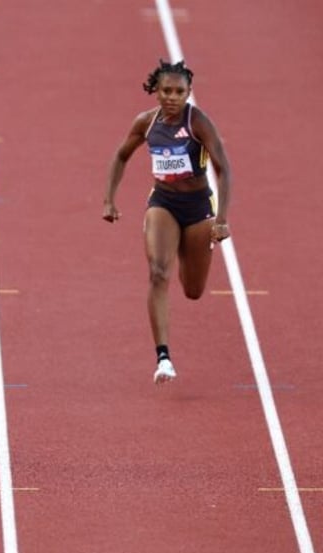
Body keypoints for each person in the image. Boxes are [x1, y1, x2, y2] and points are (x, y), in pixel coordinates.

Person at [103, 59, 231, 384]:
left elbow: (223, 169)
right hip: (163, 202)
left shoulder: (198, 122)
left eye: (179, 91)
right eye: (166, 91)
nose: (173, 97)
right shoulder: (146, 123)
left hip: (199, 207)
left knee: (192, 290)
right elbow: (120, 155)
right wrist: (109, 199)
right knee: (158, 272)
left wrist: (222, 219)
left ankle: (196, 249)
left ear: (189, 92)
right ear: (155, 92)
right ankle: (163, 357)